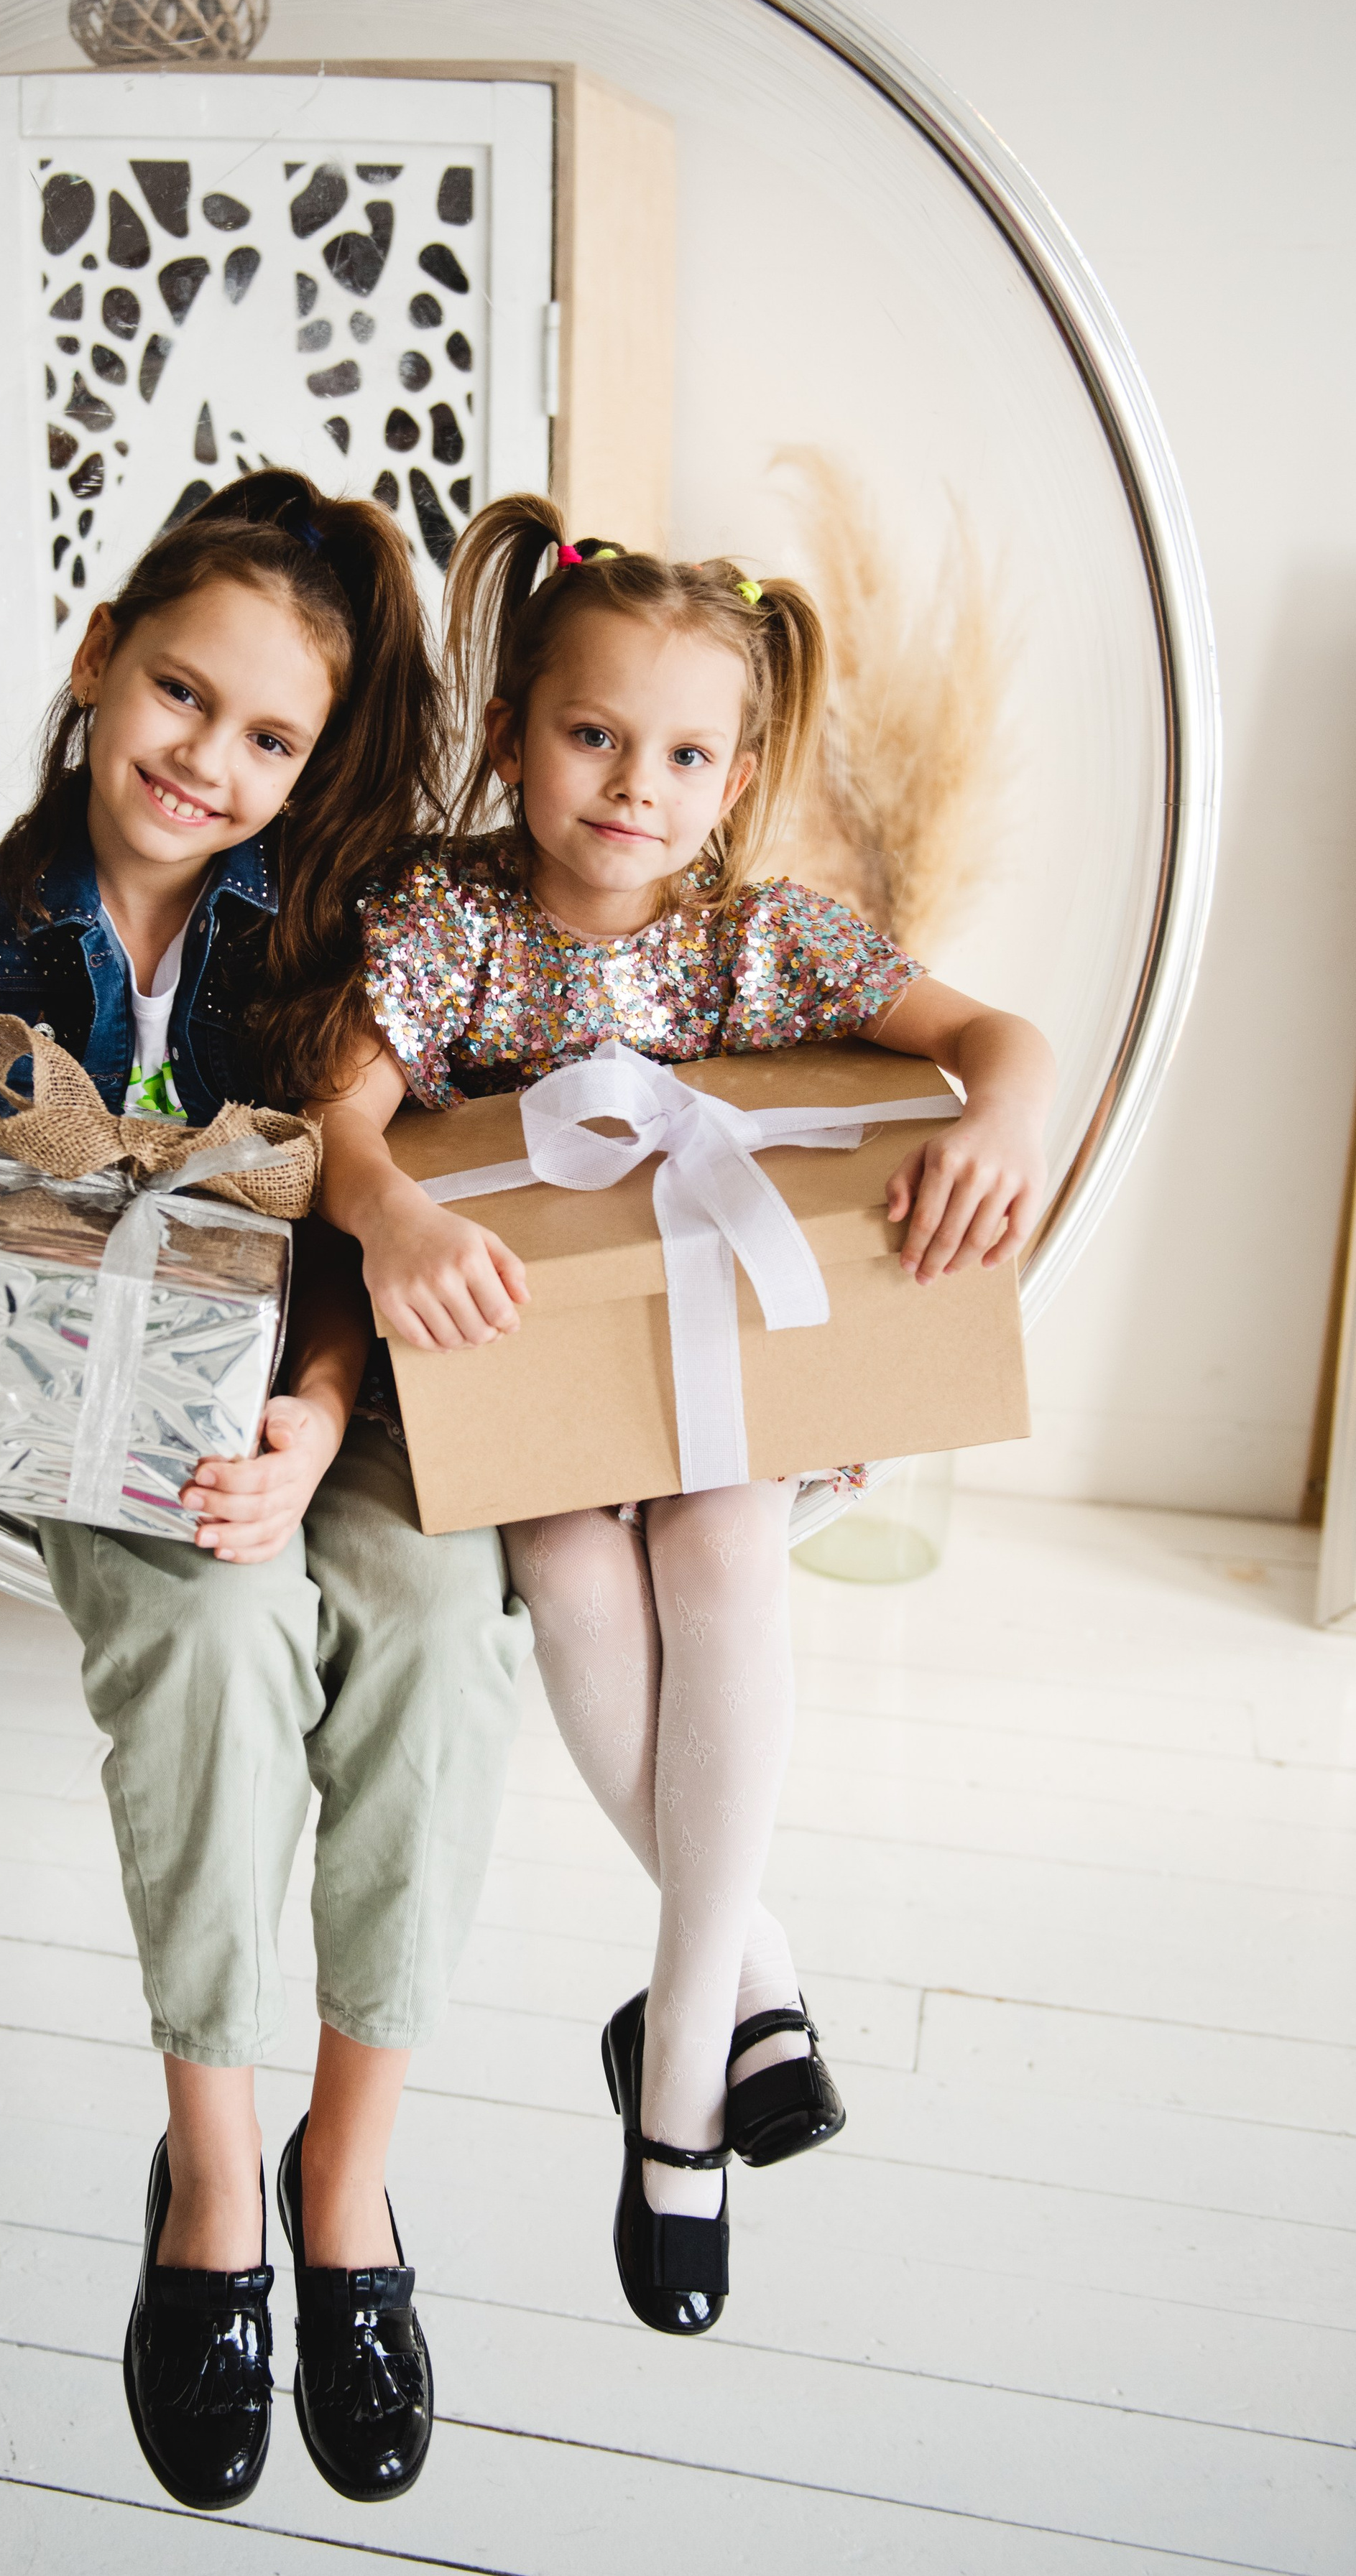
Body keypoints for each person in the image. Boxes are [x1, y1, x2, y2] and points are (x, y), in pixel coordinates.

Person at [0, 472, 530, 2509]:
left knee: (437, 1620)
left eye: (269, 735)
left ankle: (351, 2181)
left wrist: (312, 1416)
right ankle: (214, 2177)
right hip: (92, 1415)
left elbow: (361, 1243)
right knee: (212, 1638)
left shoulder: (332, 932)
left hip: (338, 1383)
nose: (207, 759)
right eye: (180, 693)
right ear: (102, 648)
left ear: (312, 763)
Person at [307, 495, 1056, 2338]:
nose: (632, 783)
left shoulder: (764, 942)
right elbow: (335, 1120)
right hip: (537, 1400)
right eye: (589, 734)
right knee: (571, 1563)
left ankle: (670, 2106)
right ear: (510, 735)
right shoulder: (443, 924)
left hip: (727, 1388)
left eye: (683, 752)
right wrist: (391, 1206)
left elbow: (1001, 1041)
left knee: (722, 1542)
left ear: (731, 778)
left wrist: (1000, 1115)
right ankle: (743, 1978)